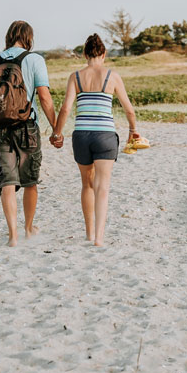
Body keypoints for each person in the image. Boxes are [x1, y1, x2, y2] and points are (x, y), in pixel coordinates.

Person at [0, 20, 59, 247]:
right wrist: (56, 128)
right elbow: (44, 97)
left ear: (8, 36)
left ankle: (13, 235)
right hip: (27, 128)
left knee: (7, 182)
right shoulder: (34, 59)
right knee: (30, 181)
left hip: (0, 128)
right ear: (29, 37)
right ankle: (29, 229)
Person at [52, 32, 140, 246]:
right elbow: (129, 110)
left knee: (87, 184)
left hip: (81, 135)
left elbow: (65, 108)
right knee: (103, 186)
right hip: (105, 135)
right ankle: (99, 239)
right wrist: (133, 131)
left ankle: (89, 233)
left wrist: (57, 133)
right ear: (104, 53)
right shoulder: (113, 76)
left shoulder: (76, 76)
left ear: (84, 53)